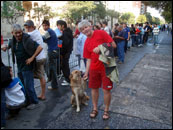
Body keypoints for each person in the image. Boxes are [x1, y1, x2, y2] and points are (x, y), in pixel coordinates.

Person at [78, 20, 116, 120]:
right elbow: (88, 59)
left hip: (106, 67)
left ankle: (106, 110)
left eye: (85, 27)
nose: (84, 30)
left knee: (106, 90)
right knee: (94, 90)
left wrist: (101, 47)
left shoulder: (101, 33)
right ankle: (95, 109)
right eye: (82, 29)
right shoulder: (86, 42)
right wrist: (86, 72)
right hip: (94, 69)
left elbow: (113, 45)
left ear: (90, 26)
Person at [2, 24, 43, 110]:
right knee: (23, 85)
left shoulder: (27, 39)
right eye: (16, 33)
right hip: (20, 66)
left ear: (22, 31)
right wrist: (5, 47)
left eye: (20, 32)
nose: (18, 35)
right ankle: (27, 101)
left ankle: (34, 101)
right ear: (12, 33)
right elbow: (8, 46)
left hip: (27, 66)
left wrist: (32, 58)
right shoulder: (13, 40)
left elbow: (40, 47)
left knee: (29, 86)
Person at [24, 20, 47, 100]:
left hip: (38, 58)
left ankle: (43, 95)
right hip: (41, 57)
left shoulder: (32, 33)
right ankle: (40, 94)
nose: (27, 29)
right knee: (39, 76)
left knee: (41, 76)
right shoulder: (36, 32)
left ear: (32, 27)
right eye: (26, 27)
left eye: (29, 27)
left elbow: (25, 35)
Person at [42, 20, 59, 90]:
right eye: (43, 26)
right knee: (52, 68)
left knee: (52, 69)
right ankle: (53, 82)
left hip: (52, 51)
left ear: (48, 26)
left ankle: (54, 84)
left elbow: (42, 38)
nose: (44, 27)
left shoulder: (48, 31)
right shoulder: (51, 31)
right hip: (54, 51)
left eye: (45, 25)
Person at [57, 20, 73, 86]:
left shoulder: (65, 33)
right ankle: (68, 78)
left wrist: (61, 51)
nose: (58, 27)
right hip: (67, 52)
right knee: (65, 65)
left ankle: (68, 80)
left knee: (65, 66)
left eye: (58, 25)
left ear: (62, 26)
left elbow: (65, 44)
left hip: (65, 53)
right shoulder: (67, 32)